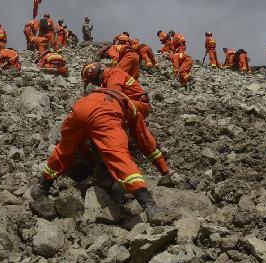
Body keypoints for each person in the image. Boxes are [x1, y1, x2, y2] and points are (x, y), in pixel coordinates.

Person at [29, 81, 171, 221]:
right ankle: (149, 205)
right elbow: (145, 141)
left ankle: (42, 188)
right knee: (119, 155)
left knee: (64, 149)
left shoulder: (102, 94)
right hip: (104, 112)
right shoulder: (131, 108)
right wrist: (164, 170)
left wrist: (91, 161)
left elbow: (83, 144)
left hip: (79, 108)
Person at [83, 61, 150, 118]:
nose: (93, 84)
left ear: (97, 75)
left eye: (92, 81)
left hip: (140, 105)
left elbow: (114, 98)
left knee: (109, 110)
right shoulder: (107, 80)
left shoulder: (114, 74)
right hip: (132, 103)